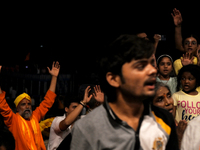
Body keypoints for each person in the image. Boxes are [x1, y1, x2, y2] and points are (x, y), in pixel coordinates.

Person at [70, 35, 179, 150]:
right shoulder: (88, 128)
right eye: (141, 66)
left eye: (152, 64)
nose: (153, 70)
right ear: (114, 79)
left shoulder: (164, 118)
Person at [0, 61, 60, 150]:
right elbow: (2, 103)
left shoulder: (35, 116)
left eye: (29, 104)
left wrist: (54, 77)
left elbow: (48, 100)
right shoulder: (13, 120)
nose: (27, 106)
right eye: (23, 104)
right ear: (17, 108)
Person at [47, 86, 92, 150]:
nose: (77, 110)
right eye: (74, 107)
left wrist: (100, 102)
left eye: (78, 108)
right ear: (66, 109)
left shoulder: (81, 119)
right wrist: (83, 103)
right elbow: (66, 123)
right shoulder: (58, 120)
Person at [152, 82, 187, 148]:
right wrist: (178, 139)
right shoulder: (150, 131)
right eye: (160, 100)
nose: (168, 102)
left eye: (169, 96)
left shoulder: (177, 125)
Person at [171, 8, 200, 75]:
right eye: (187, 43)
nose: (190, 45)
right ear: (183, 46)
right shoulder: (178, 62)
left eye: (193, 43)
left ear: (198, 46)